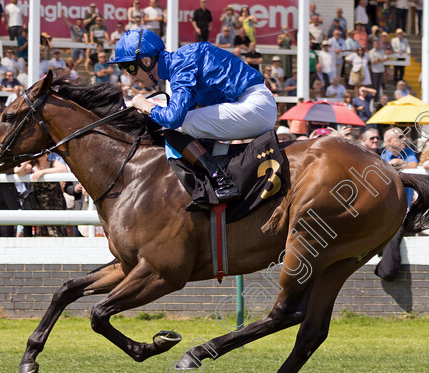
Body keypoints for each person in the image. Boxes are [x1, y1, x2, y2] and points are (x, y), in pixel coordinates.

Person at [109, 29, 277, 206]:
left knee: (173, 127)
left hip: (254, 106)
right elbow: (182, 113)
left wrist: (147, 106)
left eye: (130, 68)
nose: (132, 79)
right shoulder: (181, 64)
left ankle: (220, 180)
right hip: (254, 105)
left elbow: (174, 119)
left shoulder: (181, 64)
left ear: (146, 60)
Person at [14, 153, 69, 237]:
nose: (44, 154)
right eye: (41, 153)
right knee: (44, 232)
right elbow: (18, 171)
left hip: (56, 202)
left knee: (58, 231)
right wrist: (28, 158)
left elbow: (64, 169)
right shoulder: (32, 166)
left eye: (46, 152)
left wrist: (43, 172)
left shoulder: (53, 163)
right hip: (40, 203)